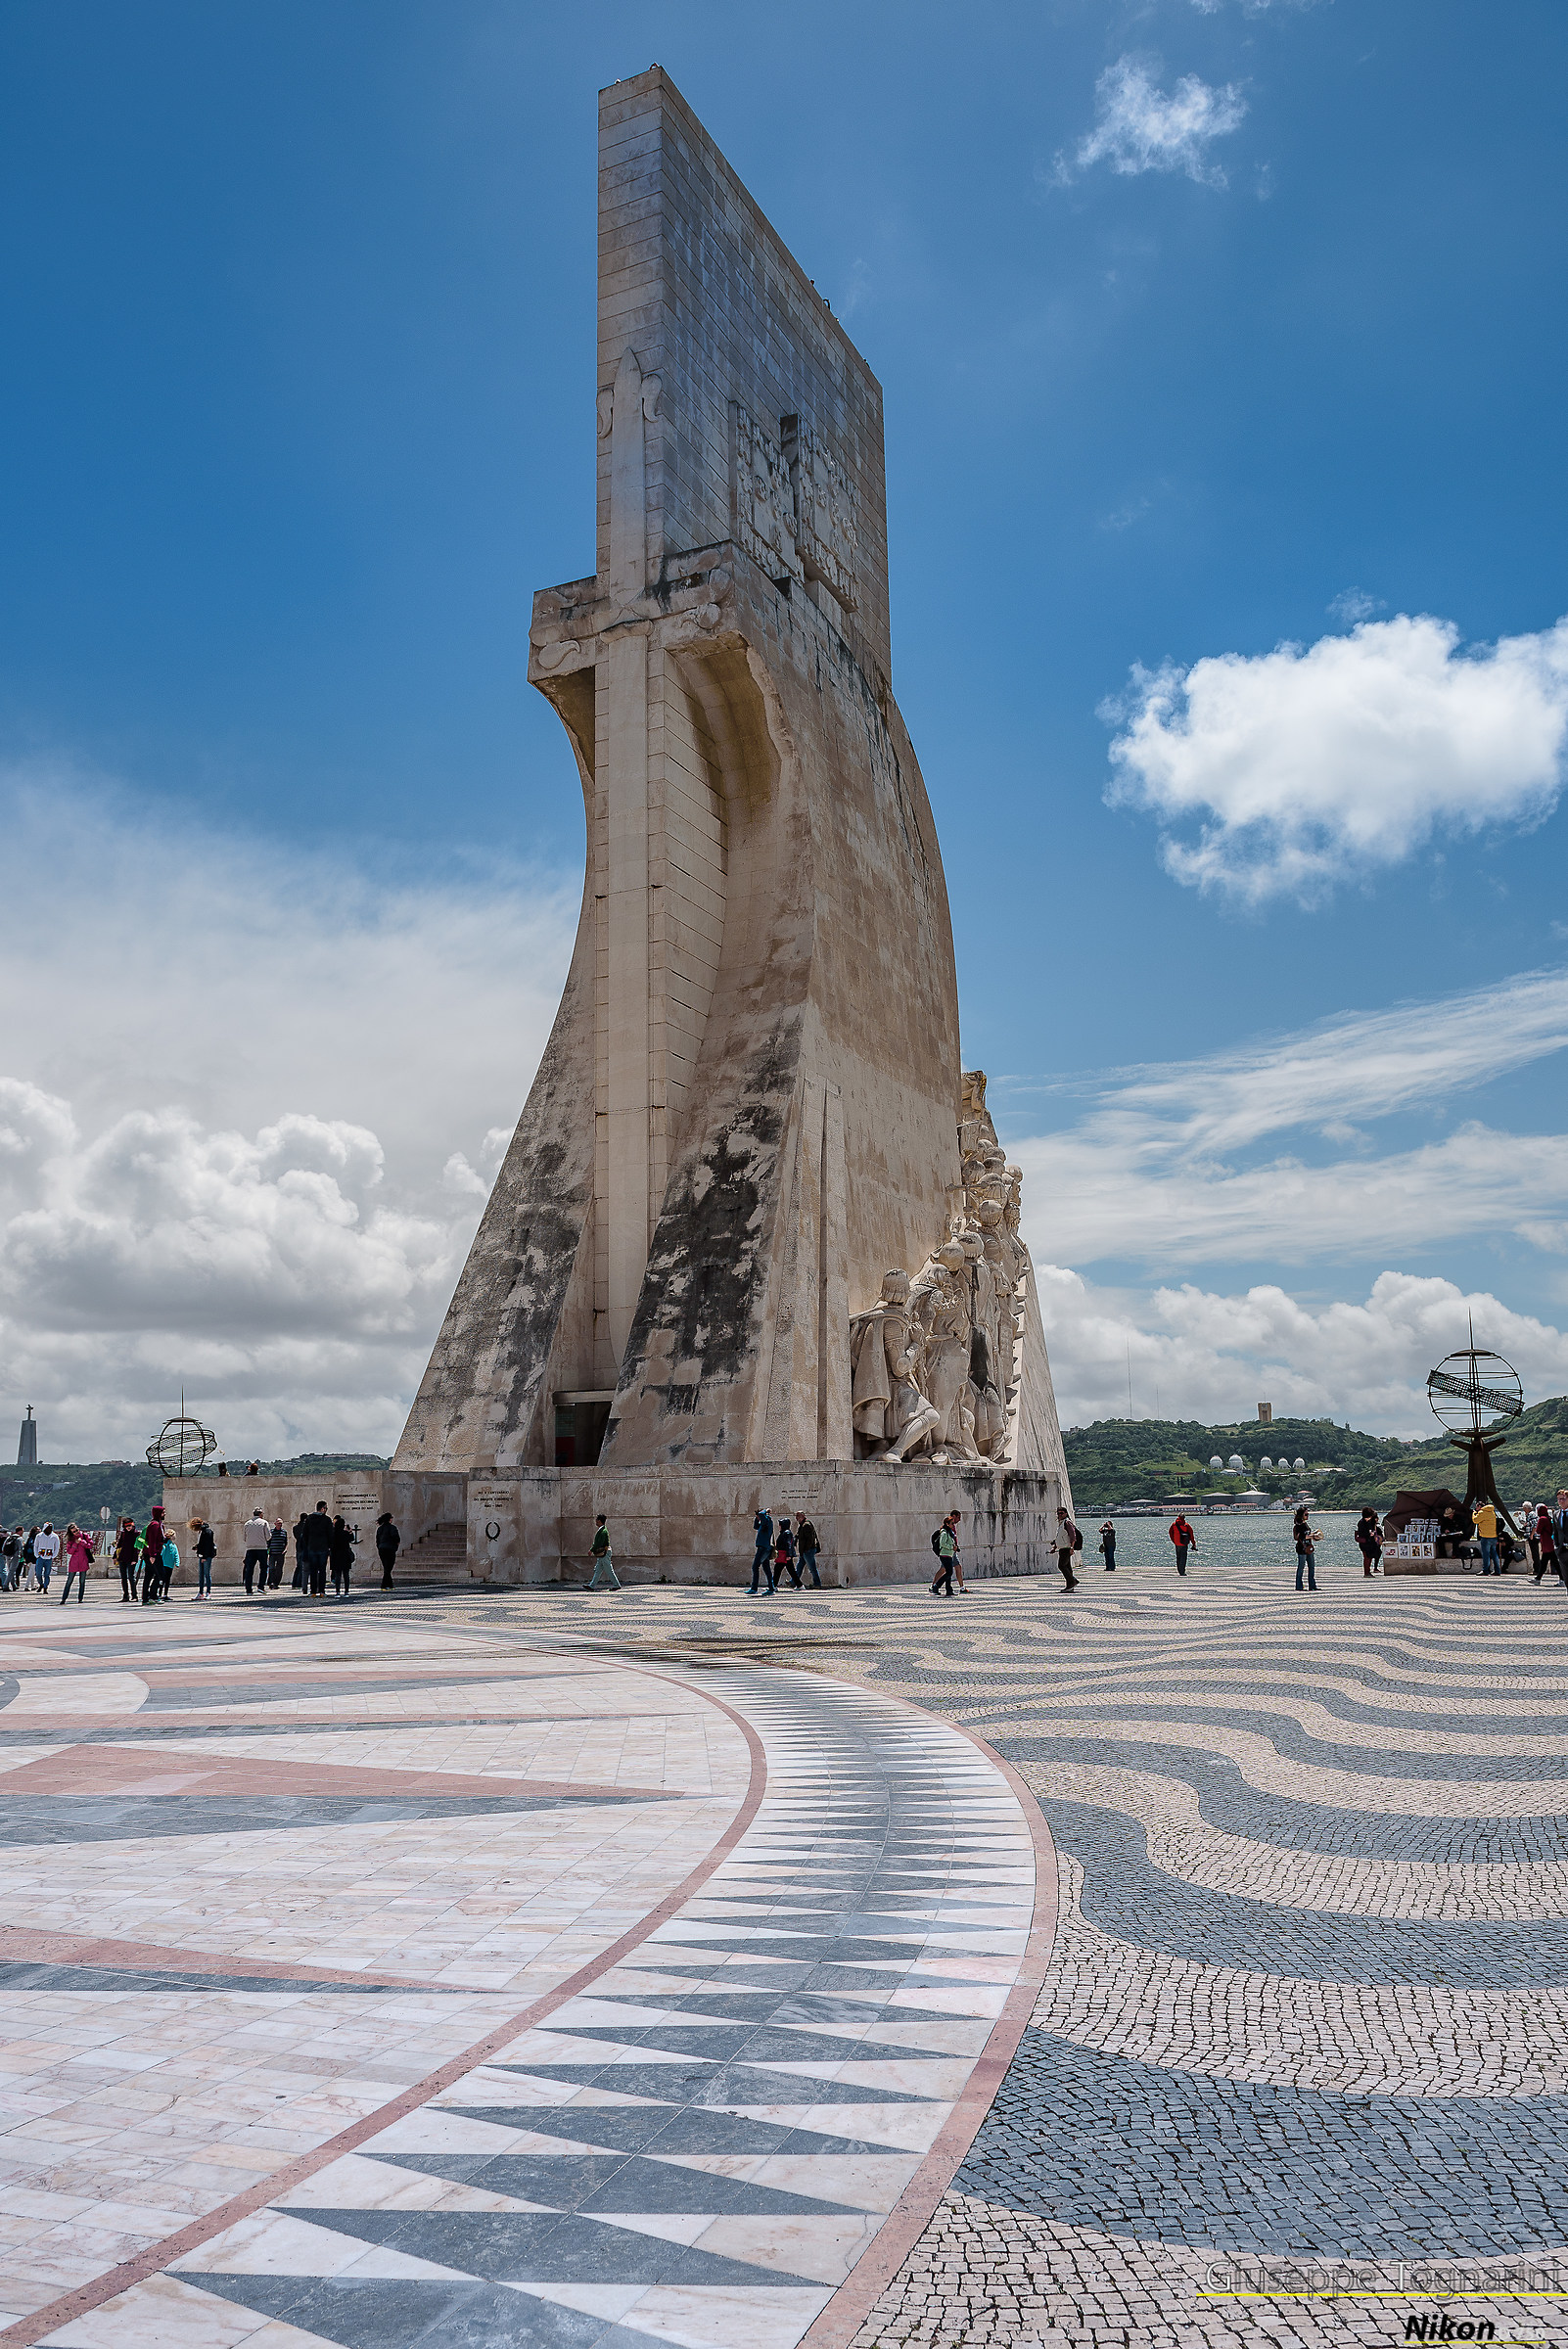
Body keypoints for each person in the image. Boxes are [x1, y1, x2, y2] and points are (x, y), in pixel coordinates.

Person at [302, 1502, 333, 1599]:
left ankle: (313, 1591)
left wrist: (308, 1544)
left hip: (312, 1547)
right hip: (323, 1547)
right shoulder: (327, 1520)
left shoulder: (309, 1519)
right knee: (322, 1570)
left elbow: (305, 1534)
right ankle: (322, 1591)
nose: (326, 1510)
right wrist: (330, 1546)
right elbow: (330, 1534)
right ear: (322, 1509)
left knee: (313, 1570)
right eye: (326, 1508)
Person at [60, 1523, 93, 1604]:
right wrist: (75, 1544)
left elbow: (90, 1545)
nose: (76, 1532)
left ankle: (80, 1599)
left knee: (82, 1582)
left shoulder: (85, 1535)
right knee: (69, 1581)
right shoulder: (71, 1539)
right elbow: (69, 1552)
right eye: (74, 1531)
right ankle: (63, 1599)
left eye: (77, 1530)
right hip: (74, 1562)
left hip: (83, 1561)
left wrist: (82, 1542)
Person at [588, 1513, 620, 1591]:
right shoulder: (602, 1530)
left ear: (599, 1521)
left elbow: (598, 1543)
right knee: (598, 1570)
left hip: (604, 1553)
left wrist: (592, 1550)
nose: (595, 1521)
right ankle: (592, 1585)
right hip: (603, 1553)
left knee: (608, 1569)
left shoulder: (603, 1531)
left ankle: (616, 1585)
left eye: (596, 1520)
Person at [241, 1509, 269, 1595]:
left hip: (250, 1549)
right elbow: (268, 1536)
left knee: (249, 1569)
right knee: (264, 1568)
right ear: (260, 1514)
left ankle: (248, 1589)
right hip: (262, 1548)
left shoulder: (247, 1523)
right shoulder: (264, 1523)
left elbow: (244, 1538)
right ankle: (261, 1586)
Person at [328, 1514, 355, 1598]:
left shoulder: (333, 1534)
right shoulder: (345, 1533)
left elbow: (330, 1544)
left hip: (336, 1556)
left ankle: (337, 1592)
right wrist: (350, 1531)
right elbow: (352, 1539)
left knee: (338, 1575)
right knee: (346, 1575)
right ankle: (346, 1592)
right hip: (345, 1556)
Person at [1052, 1507, 1079, 1591]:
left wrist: (1072, 1547)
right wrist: (1055, 1547)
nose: (1059, 1515)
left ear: (1066, 1513)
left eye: (1061, 1513)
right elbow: (1059, 1537)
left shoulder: (1067, 1522)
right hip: (1062, 1548)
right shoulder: (1062, 1523)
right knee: (1067, 1567)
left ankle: (1072, 1581)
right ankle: (1070, 1586)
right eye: (1058, 1513)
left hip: (1066, 1548)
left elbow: (1072, 1536)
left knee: (1061, 1565)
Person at [750, 1506, 774, 1595]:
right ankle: (771, 1588)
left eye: (758, 1517)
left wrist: (765, 1511)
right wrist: (756, 1518)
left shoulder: (767, 1521)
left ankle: (754, 1588)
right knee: (767, 1569)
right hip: (764, 1547)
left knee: (755, 1566)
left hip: (763, 1548)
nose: (758, 1518)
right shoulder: (763, 1523)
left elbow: (761, 1514)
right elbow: (755, 1526)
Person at [114, 1516, 139, 1603]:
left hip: (132, 1558)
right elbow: (119, 1546)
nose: (128, 1528)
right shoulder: (123, 1534)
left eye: (130, 1526)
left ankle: (134, 1595)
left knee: (131, 1577)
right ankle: (125, 1596)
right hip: (122, 1558)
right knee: (123, 1577)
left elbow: (137, 1548)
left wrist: (135, 1559)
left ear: (133, 1525)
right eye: (126, 1526)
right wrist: (115, 1557)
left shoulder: (136, 1534)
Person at [1473, 1498, 1501, 1577]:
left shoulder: (1482, 1512)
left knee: (1486, 1554)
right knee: (1494, 1554)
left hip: (1485, 1536)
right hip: (1493, 1536)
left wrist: (1474, 1513)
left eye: (1476, 1507)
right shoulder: (1492, 1512)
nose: (1476, 1508)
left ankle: (1485, 1570)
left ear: (1479, 1506)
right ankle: (1497, 1570)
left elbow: (1475, 1520)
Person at [931, 1517, 957, 1597]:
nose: (953, 1525)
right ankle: (936, 1586)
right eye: (952, 1523)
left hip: (949, 1554)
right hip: (944, 1555)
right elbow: (942, 1544)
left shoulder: (949, 1532)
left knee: (949, 1572)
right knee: (949, 1572)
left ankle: (949, 1590)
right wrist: (951, 1547)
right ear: (947, 1524)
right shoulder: (944, 1533)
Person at [1294, 1506, 1318, 1592]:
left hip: (1308, 1547)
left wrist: (1313, 1536)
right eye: (1306, 1514)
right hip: (1302, 1548)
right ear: (1301, 1515)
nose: (1307, 1516)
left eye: (1308, 1514)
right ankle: (1299, 1586)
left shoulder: (1305, 1524)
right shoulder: (1299, 1525)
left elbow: (1307, 1535)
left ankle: (1312, 1585)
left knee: (1311, 1567)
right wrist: (1312, 1536)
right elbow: (1301, 1536)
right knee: (1301, 1567)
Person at [1533, 1504, 1559, 1585]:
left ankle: (1563, 1579)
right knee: (1545, 1562)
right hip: (1551, 1542)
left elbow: (1538, 1531)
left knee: (1554, 1563)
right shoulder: (1549, 1518)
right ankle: (1538, 1578)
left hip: (1546, 1543)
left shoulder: (1542, 1519)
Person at [1355, 1505, 1383, 1577]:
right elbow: (1362, 1533)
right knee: (1367, 1557)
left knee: (1369, 1557)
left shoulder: (1368, 1522)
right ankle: (1366, 1572)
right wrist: (1370, 1534)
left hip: (1369, 1542)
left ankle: (1368, 1571)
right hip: (1365, 1542)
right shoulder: (1362, 1523)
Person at [796, 1515, 823, 1589]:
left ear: (802, 1517)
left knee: (812, 1568)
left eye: (798, 1517)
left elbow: (810, 1539)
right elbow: (799, 1534)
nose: (797, 1519)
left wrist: (806, 1549)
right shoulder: (803, 1525)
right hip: (805, 1550)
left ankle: (817, 1583)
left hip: (808, 1550)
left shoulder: (806, 1525)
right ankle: (794, 1581)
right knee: (799, 1567)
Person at [375, 1511, 400, 1589]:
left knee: (386, 1567)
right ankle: (384, 1585)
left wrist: (379, 1547)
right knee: (388, 1567)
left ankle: (389, 1585)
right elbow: (396, 1537)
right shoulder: (392, 1528)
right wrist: (396, 1545)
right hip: (390, 1549)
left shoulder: (380, 1528)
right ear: (390, 1519)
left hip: (382, 1549)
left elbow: (377, 1540)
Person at [33, 1521, 60, 1594]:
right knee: (38, 1573)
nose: (49, 1529)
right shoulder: (39, 1536)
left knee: (47, 1574)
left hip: (49, 1557)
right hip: (40, 1557)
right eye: (48, 1528)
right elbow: (36, 1545)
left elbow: (57, 1547)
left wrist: (54, 1555)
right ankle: (41, 1584)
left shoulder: (55, 1536)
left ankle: (45, 1587)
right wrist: (37, 1555)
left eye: (51, 1528)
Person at [193, 1518, 216, 1597]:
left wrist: (204, 1556)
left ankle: (208, 1592)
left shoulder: (207, 1532)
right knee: (201, 1575)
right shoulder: (203, 1531)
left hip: (206, 1556)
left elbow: (208, 1545)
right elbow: (203, 1544)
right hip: (203, 1555)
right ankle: (201, 1592)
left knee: (206, 1574)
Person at [1168, 1512, 1196, 1578]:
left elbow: (1170, 1532)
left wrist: (1173, 1540)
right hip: (1184, 1543)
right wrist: (1193, 1543)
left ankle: (1179, 1570)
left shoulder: (1174, 1524)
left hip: (1177, 1543)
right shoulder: (1186, 1525)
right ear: (1184, 1518)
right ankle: (1182, 1571)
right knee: (1183, 1557)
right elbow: (1191, 1535)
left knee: (1178, 1557)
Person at [774, 1514, 799, 1589]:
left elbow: (789, 1544)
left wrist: (788, 1555)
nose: (779, 1526)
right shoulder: (785, 1532)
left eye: (780, 1524)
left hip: (784, 1555)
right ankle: (800, 1585)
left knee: (777, 1570)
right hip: (785, 1555)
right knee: (791, 1571)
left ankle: (773, 1586)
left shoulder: (786, 1533)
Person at [292, 1511, 311, 1591]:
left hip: (298, 1547)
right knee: (304, 1567)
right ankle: (299, 1583)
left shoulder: (295, 1528)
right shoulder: (307, 1527)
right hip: (305, 1548)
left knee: (298, 1565)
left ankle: (295, 1582)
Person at [267, 1517, 288, 1589]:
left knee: (279, 1569)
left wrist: (285, 1549)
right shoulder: (271, 1532)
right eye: (278, 1523)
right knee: (272, 1568)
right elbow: (268, 1542)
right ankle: (271, 1582)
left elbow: (285, 1542)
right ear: (275, 1524)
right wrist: (268, 1551)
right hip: (272, 1553)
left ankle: (276, 1583)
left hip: (280, 1553)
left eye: (281, 1523)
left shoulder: (284, 1532)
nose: (280, 1525)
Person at [1, 1525, 21, 1592]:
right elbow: (20, 1548)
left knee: (10, 1570)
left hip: (7, 1555)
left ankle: (13, 1585)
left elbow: (3, 1547)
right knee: (11, 1571)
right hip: (15, 1556)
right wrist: (22, 1556)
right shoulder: (19, 1538)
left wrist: (4, 1553)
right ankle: (5, 1585)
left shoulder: (9, 1538)